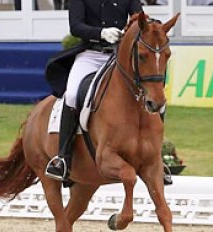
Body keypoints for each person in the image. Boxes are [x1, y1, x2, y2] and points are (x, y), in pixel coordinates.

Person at [45, 0, 143, 180]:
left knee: (147, 92)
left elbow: (139, 18)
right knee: (73, 94)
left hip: (118, 56)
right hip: (90, 55)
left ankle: (155, 157)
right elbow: (75, 26)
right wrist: (100, 33)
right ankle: (63, 158)